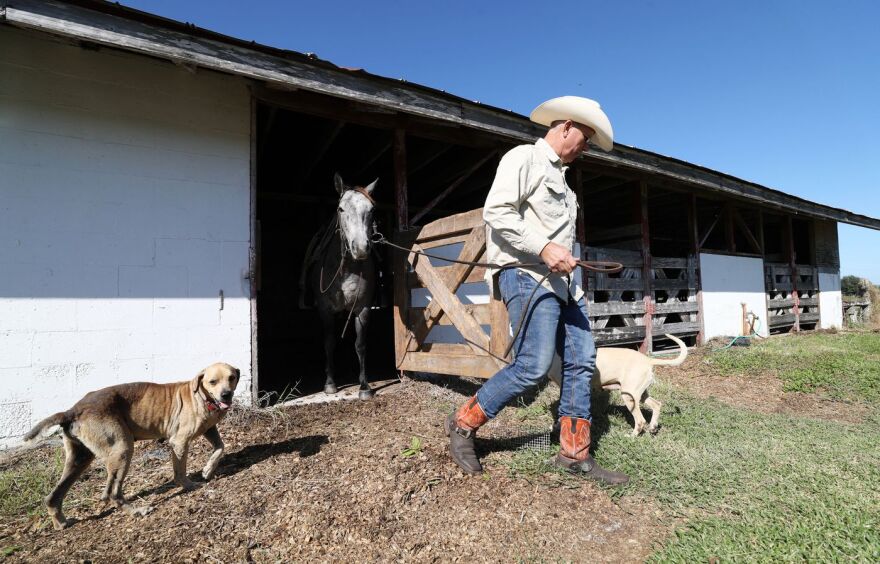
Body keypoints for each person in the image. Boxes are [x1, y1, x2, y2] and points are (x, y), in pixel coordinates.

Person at [444, 96, 629, 485]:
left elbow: (562, 243)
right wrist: (545, 248)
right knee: (533, 365)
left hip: (564, 287)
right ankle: (462, 424)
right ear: (565, 126)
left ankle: (574, 454)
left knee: (582, 361)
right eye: (585, 138)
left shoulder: (564, 182)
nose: (586, 147)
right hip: (526, 275)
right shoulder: (523, 158)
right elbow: (497, 212)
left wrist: (571, 278)